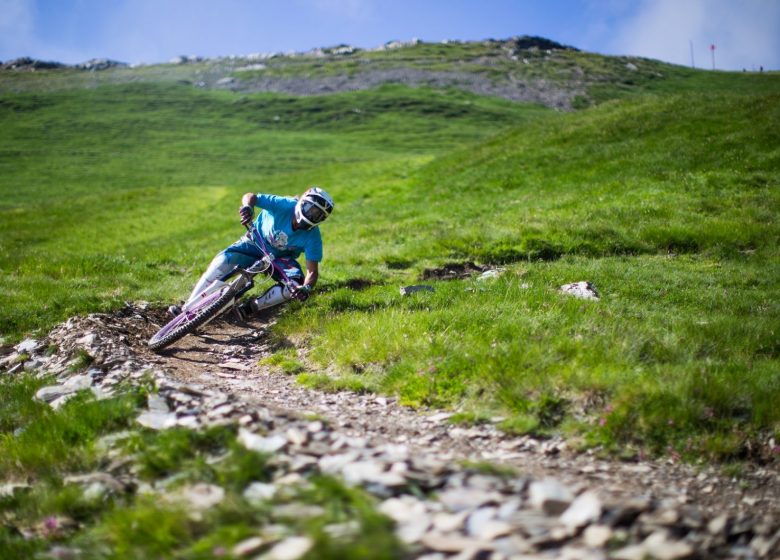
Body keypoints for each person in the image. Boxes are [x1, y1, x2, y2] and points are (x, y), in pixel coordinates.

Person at [169, 187, 334, 319]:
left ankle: (253, 307)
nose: (311, 215)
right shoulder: (285, 204)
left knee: (294, 285)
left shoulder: (313, 237)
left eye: (317, 214)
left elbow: (312, 271)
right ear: (302, 202)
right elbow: (251, 196)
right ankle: (187, 308)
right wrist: (248, 207)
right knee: (221, 261)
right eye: (309, 208)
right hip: (254, 243)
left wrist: (305, 288)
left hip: (279, 259)